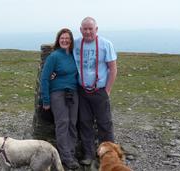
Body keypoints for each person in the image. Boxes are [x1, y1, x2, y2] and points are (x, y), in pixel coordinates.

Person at [73, 17, 117, 165]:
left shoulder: (106, 44)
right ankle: (89, 155)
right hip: (82, 91)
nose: (87, 31)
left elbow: (113, 68)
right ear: (80, 30)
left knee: (104, 124)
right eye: (85, 29)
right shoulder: (76, 44)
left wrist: (108, 90)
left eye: (90, 28)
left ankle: (109, 157)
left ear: (96, 29)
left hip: (100, 91)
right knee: (85, 123)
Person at [40, 28, 79, 169]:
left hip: (73, 93)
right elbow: (44, 78)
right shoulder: (54, 56)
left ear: (71, 40)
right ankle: (66, 157)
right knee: (63, 123)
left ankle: (72, 153)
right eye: (62, 38)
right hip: (57, 93)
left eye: (67, 38)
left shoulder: (74, 55)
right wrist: (46, 100)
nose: (65, 40)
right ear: (58, 40)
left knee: (73, 124)